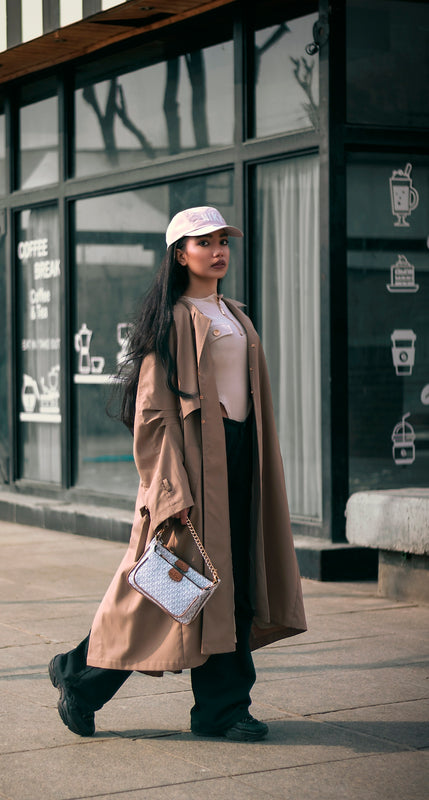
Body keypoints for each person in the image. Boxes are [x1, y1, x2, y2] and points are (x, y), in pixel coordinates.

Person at [49, 206, 307, 741]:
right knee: (165, 592)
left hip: (237, 459)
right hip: (190, 471)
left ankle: (216, 708)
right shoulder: (170, 322)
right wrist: (172, 489)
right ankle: (83, 677)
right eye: (203, 242)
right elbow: (151, 415)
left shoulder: (233, 313)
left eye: (222, 241)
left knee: (222, 589)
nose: (218, 251)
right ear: (179, 254)